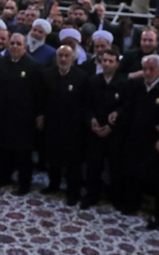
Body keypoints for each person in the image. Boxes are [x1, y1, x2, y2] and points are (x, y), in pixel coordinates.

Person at [115, 54, 159, 228]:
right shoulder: (136, 85)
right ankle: (132, 203)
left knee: (158, 179)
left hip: (154, 139)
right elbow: (127, 107)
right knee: (132, 172)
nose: (147, 73)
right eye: (145, 69)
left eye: (151, 69)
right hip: (135, 136)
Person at [0, 33, 43, 195]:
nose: (15, 47)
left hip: (23, 118)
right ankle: (3, 177)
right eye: (12, 43)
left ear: (25, 47)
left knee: (23, 153)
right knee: (2, 150)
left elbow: (39, 94)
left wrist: (39, 114)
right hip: (2, 115)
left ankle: (24, 184)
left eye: (18, 44)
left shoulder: (34, 67)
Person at [40, 45, 91, 206]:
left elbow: (85, 103)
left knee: (72, 163)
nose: (63, 59)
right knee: (52, 157)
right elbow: (41, 98)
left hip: (73, 126)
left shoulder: (82, 77)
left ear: (72, 58)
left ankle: (72, 192)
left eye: (66, 56)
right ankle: (53, 184)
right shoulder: (47, 75)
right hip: (52, 123)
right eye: (60, 56)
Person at [84, 48, 125, 209]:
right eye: (104, 60)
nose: (106, 64)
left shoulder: (123, 83)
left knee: (115, 168)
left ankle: (116, 198)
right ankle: (91, 196)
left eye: (110, 61)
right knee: (93, 166)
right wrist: (92, 120)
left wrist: (112, 125)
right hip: (95, 131)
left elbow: (126, 107)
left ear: (117, 64)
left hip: (114, 133)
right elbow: (86, 105)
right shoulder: (93, 81)